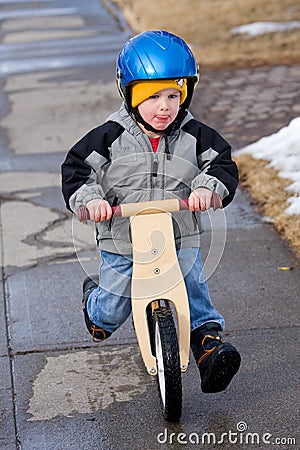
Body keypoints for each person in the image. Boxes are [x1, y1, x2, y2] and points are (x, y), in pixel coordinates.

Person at [61, 30, 241, 394]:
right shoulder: (109, 137)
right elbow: (77, 169)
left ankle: (208, 347)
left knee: (193, 285)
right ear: (130, 95)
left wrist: (208, 187)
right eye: (153, 96)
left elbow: (222, 164)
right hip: (122, 238)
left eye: (174, 95)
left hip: (179, 233)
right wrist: (92, 199)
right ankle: (94, 304)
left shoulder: (195, 134)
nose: (165, 107)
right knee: (111, 311)